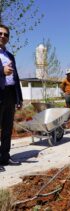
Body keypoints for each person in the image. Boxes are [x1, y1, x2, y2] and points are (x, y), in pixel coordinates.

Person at [0, 24, 23, 171]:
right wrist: (1, 71)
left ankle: (5, 157)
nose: (3, 36)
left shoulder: (10, 55)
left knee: (7, 128)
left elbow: (16, 77)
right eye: (0, 33)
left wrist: (19, 97)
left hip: (9, 95)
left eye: (5, 34)